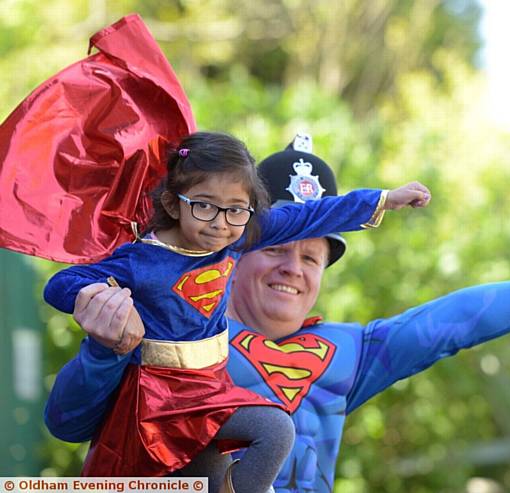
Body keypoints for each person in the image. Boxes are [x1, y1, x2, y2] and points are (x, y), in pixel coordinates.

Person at [44, 136, 510, 493]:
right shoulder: (172, 326)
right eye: (276, 248)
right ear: (238, 246)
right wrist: (104, 349)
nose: (292, 269)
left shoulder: (350, 355)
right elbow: (67, 422)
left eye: (312, 256)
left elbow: (447, 324)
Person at [43, 131, 430, 492]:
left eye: (235, 210)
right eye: (205, 206)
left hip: (209, 392)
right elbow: (59, 286)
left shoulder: (240, 235)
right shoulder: (140, 261)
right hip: (157, 400)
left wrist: (384, 199)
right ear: (171, 202)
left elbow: (312, 216)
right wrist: (104, 308)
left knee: (274, 431)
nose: (219, 223)